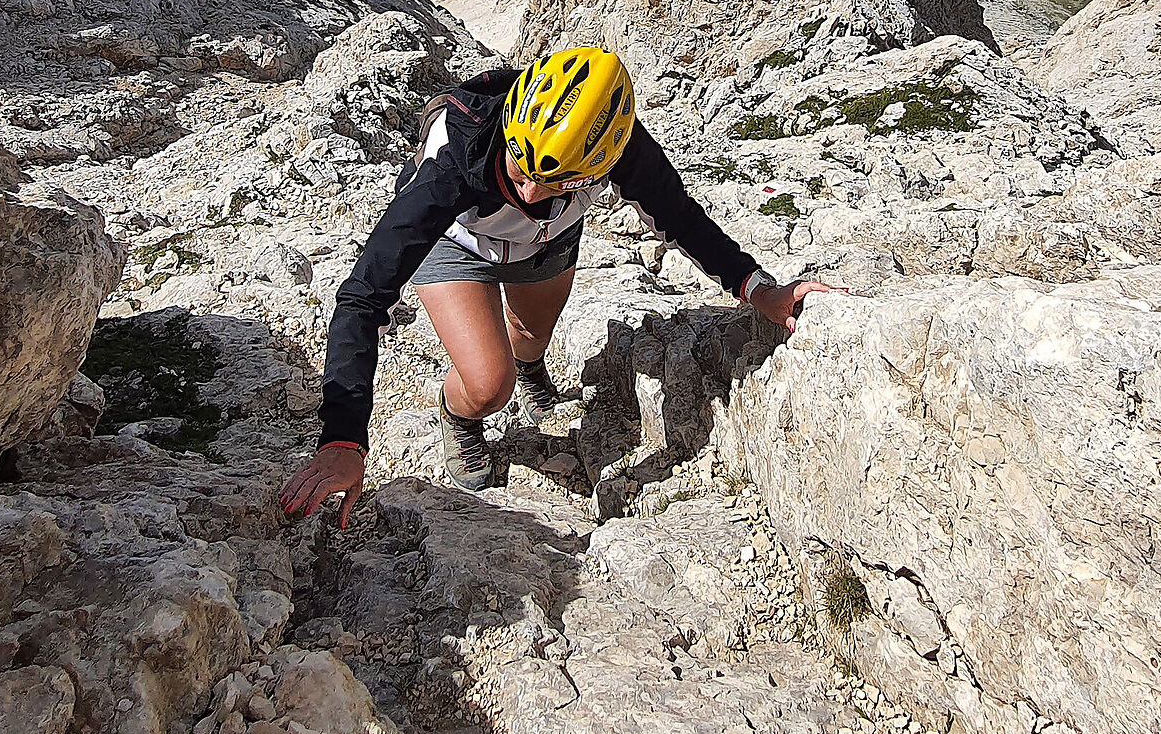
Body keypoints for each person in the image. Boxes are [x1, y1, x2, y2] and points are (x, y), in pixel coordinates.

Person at [279, 45, 839, 524]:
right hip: (455, 241)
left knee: (529, 341)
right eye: (521, 169)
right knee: (488, 383)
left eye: (553, 181)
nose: (526, 193)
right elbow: (363, 295)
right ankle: (460, 418)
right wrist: (343, 439)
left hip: (549, 243)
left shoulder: (613, 143)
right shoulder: (454, 157)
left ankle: (530, 367)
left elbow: (681, 218)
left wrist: (758, 288)